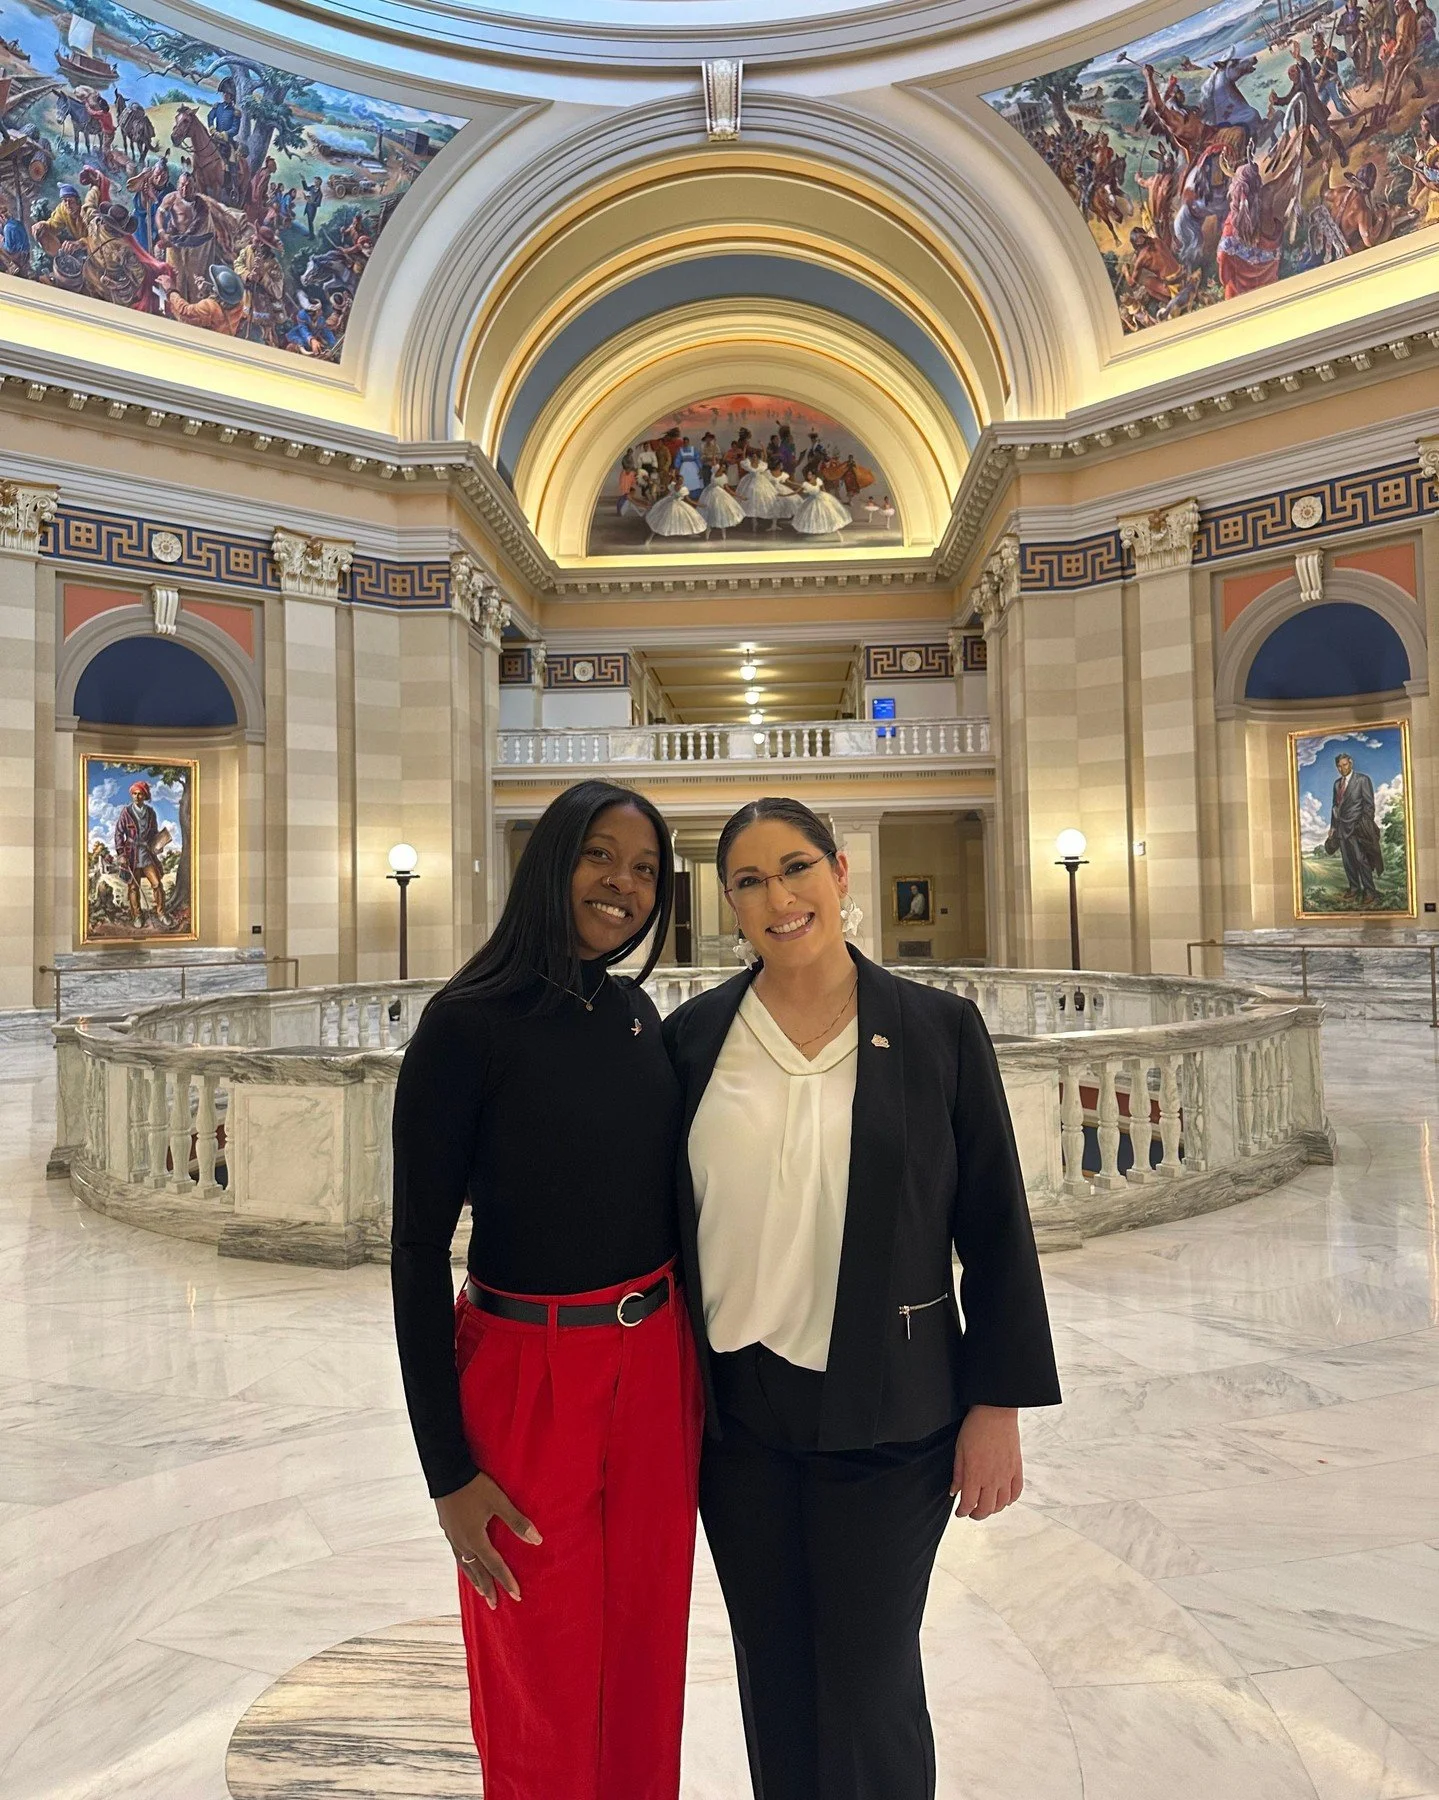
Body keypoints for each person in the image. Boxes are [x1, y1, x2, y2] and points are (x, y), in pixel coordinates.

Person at [663, 796, 1060, 1800]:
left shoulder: (933, 1030)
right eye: (748, 881)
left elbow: (995, 1232)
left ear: (841, 873)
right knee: (775, 1674)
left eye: (795, 868)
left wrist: (997, 1405)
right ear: (727, 904)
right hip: (738, 1423)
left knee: (867, 1683)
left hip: (890, 1414)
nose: (776, 897)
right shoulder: (693, 1041)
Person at [392, 780, 703, 1800]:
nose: (624, 885)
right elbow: (413, 1252)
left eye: (646, 869)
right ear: (552, 860)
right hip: (526, 1371)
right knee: (536, 1664)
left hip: (653, 1364)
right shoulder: (464, 1024)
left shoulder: (632, 1013)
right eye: (600, 857)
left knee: (647, 1647)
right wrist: (446, 1472)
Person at [1322, 750, 1384, 903]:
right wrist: (1333, 827)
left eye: (1345, 764)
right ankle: (1354, 888)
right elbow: (1335, 806)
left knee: (1361, 860)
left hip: (1357, 828)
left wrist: (1363, 825)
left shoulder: (1363, 780)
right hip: (1341, 829)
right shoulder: (1337, 784)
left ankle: (1370, 892)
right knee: (1347, 861)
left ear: (1350, 763)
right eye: (1339, 766)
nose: (1342, 768)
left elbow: (1369, 806)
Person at [113, 779, 171, 926]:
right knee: (133, 887)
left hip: (146, 854)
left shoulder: (151, 813)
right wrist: (121, 854)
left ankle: (161, 913)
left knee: (157, 884)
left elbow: (154, 833)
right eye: (134, 794)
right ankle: (137, 916)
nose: (137, 797)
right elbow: (119, 834)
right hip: (131, 855)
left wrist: (158, 845)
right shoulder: (126, 812)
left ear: (145, 796)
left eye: (140, 794)